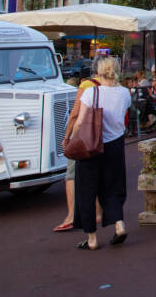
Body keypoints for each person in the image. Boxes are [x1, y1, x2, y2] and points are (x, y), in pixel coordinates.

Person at [68, 57, 131, 251]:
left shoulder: (91, 92)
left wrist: (71, 139)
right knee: (113, 186)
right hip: (115, 144)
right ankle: (119, 224)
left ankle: (92, 238)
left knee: (87, 189)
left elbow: (80, 121)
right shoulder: (125, 93)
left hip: (91, 145)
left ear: (98, 71)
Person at [54, 58, 102, 233]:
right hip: (99, 135)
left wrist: (67, 136)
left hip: (82, 135)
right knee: (93, 175)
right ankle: (98, 212)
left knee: (71, 175)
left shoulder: (86, 86)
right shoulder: (106, 85)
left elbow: (75, 113)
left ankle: (71, 215)